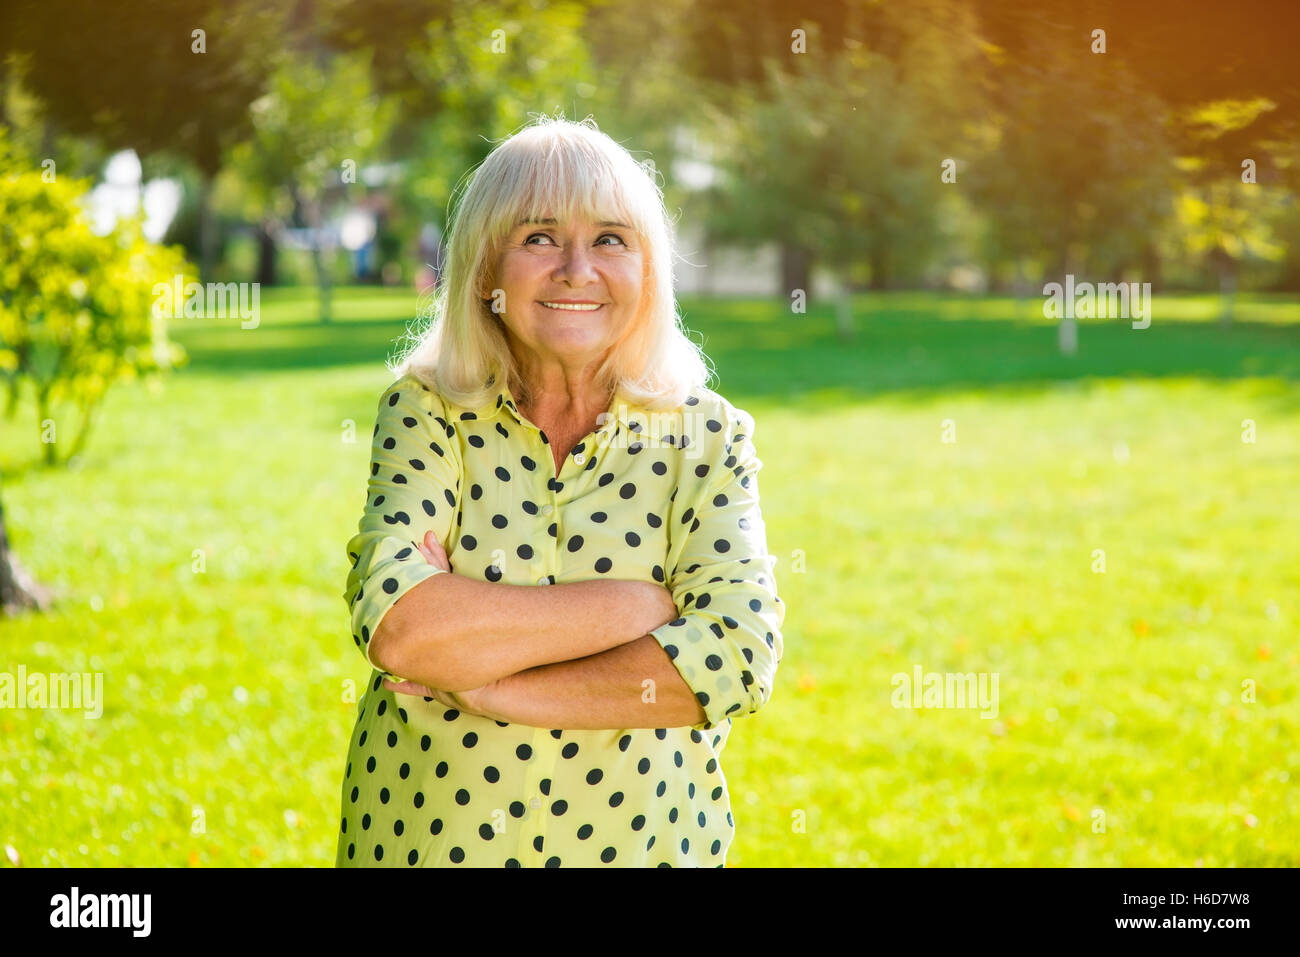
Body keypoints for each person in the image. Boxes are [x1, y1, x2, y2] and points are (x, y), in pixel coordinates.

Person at [336, 114, 785, 867]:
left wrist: (489, 687)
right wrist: (637, 606)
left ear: (648, 272)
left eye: (611, 238)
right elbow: (403, 629)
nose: (578, 268)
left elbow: (736, 655)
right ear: (485, 271)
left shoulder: (708, 436)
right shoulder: (426, 413)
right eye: (539, 236)